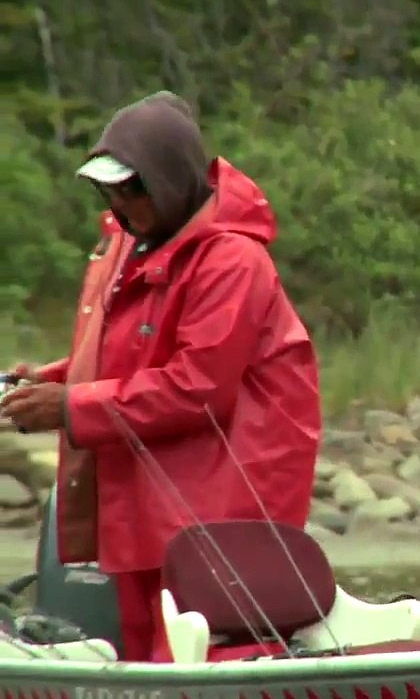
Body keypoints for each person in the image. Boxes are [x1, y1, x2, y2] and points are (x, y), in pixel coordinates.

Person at [0, 91, 322, 661]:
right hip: (141, 509)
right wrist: (46, 380)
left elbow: (196, 389)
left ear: (171, 179)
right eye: (112, 191)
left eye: (135, 187)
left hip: (214, 517)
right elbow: (125, 353)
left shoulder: (233, 261)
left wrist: (69, 407)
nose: (124, 203)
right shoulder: (131, 246)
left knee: (193, 658)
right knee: (148, 657)